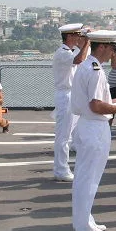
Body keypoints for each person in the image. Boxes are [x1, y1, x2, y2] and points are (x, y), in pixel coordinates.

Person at [70, 30, 116, 231]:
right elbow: (96, 105)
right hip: (95, 127)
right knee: (89, 179)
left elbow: (97, 101)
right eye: (112, 50)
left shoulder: (86, 66)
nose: (114, 55)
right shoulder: (95, 70)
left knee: (84, 176)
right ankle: (84, 225)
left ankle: (85, 219)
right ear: (103, 47)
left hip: (87, 125)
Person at [52, 23, 89, 182]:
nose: (78, 38)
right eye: (76, 35)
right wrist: (87, 42)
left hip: (72, 95)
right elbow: (79, 59)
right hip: (65, 95)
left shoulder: (70, 51)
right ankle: (61, 169)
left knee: (74, 133)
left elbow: (83, 58)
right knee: (63, 135)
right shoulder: (62, 53)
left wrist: (85, 43)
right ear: (69, 36)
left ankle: (66, 167)